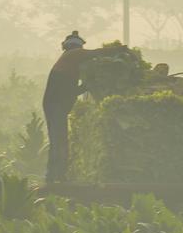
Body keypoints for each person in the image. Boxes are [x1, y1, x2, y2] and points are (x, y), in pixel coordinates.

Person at [42, 31, 125, 183]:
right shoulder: (73, 55)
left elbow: (69, 90)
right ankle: (54, 176)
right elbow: (95, 53)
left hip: (55, 104)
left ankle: (56, 175)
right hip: (56, 106)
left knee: (59, 140)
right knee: (58, 141)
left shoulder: (66, 62)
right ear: (77, 46)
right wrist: (118, 50)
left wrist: (85, 86)